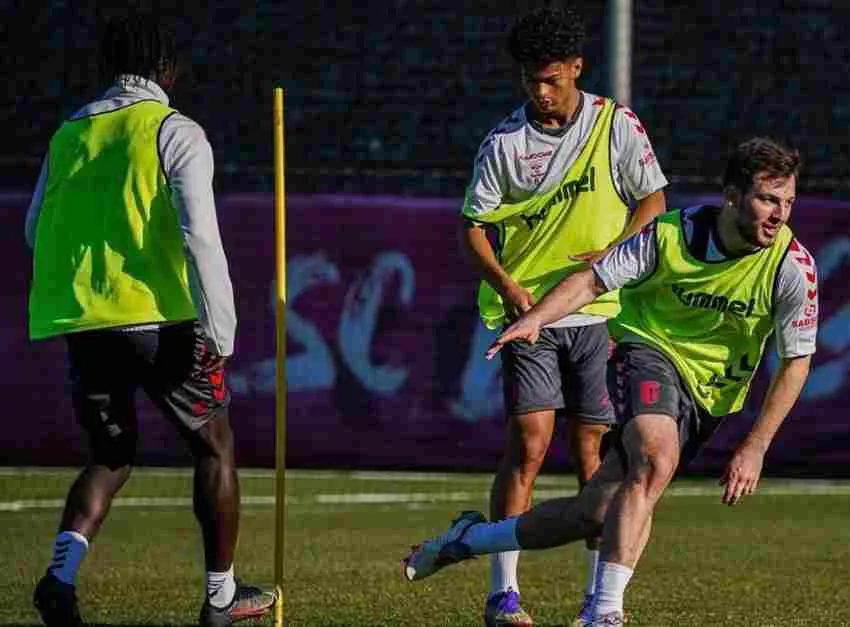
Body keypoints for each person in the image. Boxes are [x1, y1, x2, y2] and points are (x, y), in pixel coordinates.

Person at [405, 137, 817, 626]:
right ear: (732, 196)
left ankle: (469, 539)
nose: (780, 214)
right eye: (768, 199)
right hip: (648, 350)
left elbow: (796, 361)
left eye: (788, 202)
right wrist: (537, 318)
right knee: (655, 459)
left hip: (711, 393)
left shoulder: (792, 267)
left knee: (595, 511)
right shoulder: (669, 234)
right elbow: (593, 281)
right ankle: (604, 613)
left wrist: (756, 446)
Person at [26, 10, 274, 627]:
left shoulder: (68, 134)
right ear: (168, 68)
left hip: (85, 322)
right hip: (162, 322)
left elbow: (34, 229)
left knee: (110, 455)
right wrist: (221, 330)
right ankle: (220, 596)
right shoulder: (174, 130)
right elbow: (200, 237)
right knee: (214, 446)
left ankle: (60, 579)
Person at [458, 5, 667, 625]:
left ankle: (598, 601)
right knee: (528, 444)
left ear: (576, 68)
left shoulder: (615, 124)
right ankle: (503, 594)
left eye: (551, 79)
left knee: (593, 457)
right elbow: (473, 228)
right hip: (530, 317)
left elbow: (653, 200)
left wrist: (617, 250)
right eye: (531, 80)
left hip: (600, 312)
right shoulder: (503, 143)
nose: (541, 92)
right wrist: (506, 285)